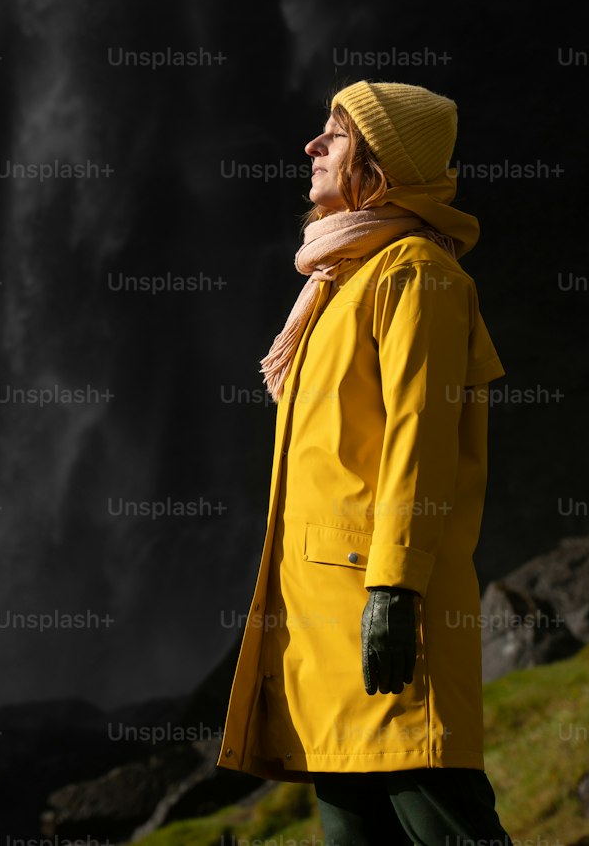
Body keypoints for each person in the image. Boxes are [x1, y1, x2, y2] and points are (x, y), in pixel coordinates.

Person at [216, 81, 515, 846]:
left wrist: (395, 588)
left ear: (381, 168)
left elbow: (419, 443)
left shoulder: (416, 274)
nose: (311, 148)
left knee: (444, 822)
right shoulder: (334, 283)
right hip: (321, 626)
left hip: (381, 612)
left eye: (335, 136)